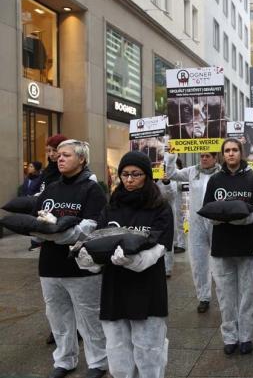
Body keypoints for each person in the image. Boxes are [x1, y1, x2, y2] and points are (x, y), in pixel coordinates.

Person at [76, 151, 173, 378]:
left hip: (147, 287)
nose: (129, 180)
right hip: (114, 286)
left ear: (147, 176)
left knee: (149, 348)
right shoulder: (111, 207)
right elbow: (97, 240)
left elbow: (160, 247)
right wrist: (90, 260)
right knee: (117, 348)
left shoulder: (160, 208)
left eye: (136, 174)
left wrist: (135, 260)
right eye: (125, 174)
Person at [30, 139, 108, 378]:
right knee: (57, 315)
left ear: (81, 159)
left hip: (80, 265)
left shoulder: (92, 189)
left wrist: (58, 234)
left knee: (89, 316)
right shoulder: (51, 188)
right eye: (58, 155)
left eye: (66, 155)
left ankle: (98, 362)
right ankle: (65, 359)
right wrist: (42, 230)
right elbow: (37, 219)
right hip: (50, 265)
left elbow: (91, 226)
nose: (60, 158)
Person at [203, 138, 253, 355]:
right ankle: (230, 337)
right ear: (222, 154)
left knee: (249, 295)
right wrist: (224, 218)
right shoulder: (214, 180)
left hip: (249, 246)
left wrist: (242, 219)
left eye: (234, 150)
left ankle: (246, 337)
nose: (231, 154)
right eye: (227, 151)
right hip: (222, 247)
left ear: (241, 153)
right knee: (226, 296)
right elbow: (207, 212)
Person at [164, 150, 221, 313]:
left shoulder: (221, 173)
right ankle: (203, 297)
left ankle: (224, 294)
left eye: (207, 156)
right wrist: (170, 156)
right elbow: (171, 174)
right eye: (201, 156)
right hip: (196, 223)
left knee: (219, 262)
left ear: (215, 158)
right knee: (198, 261)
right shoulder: (192, 171)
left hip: (217, 222)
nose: (203, 158)